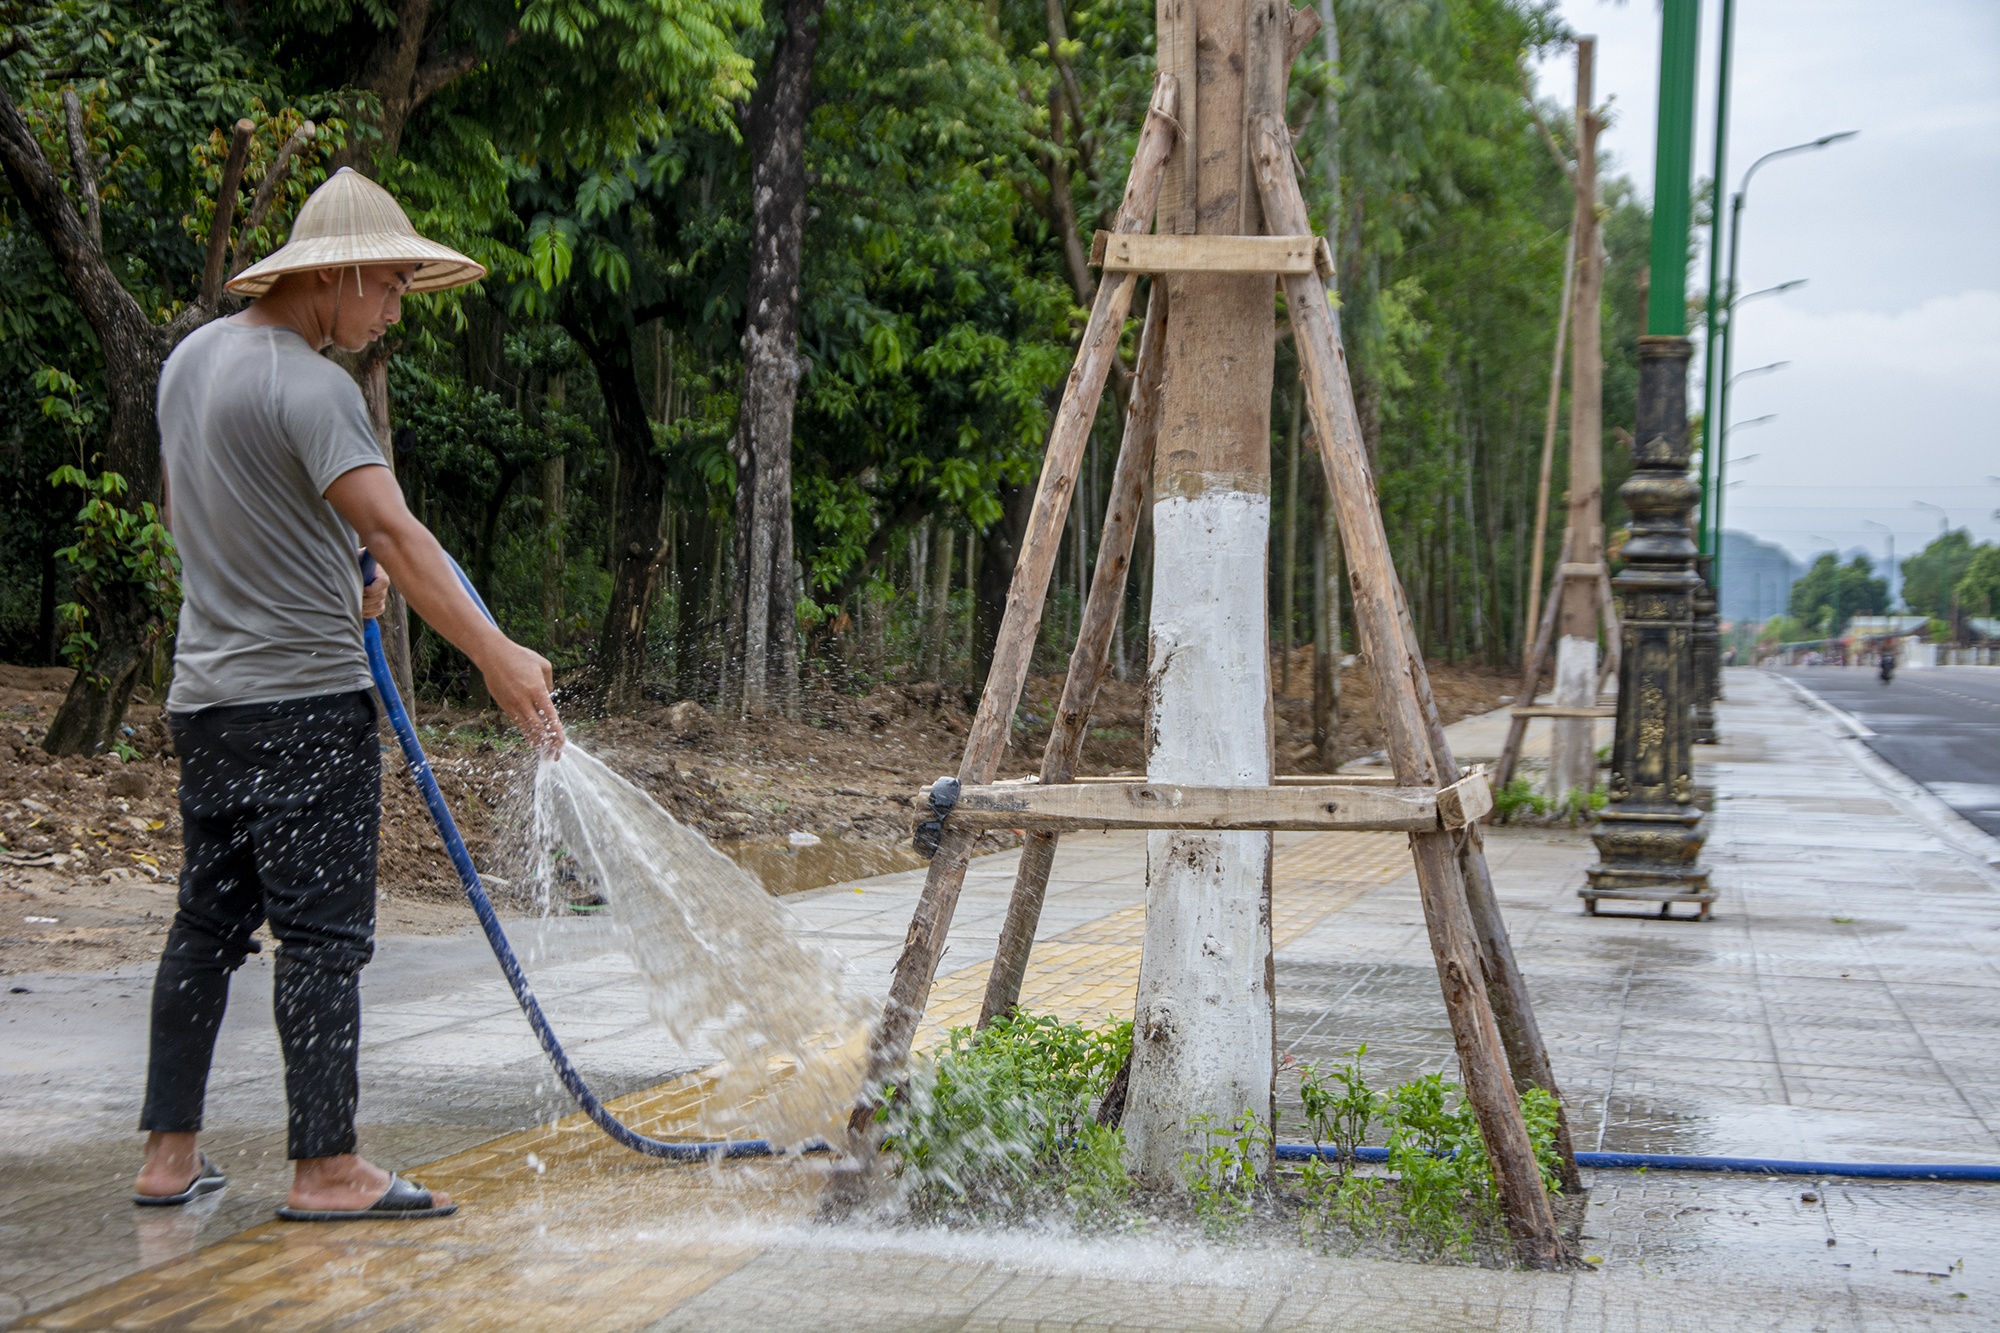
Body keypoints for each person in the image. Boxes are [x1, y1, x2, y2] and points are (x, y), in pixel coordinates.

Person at [132, 168, 564, 1221]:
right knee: (323, 937)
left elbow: (209, 513)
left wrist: (333, 571)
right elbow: (396, 535)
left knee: (207, 926)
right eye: (393, 286)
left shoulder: (192, 360)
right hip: (305, 704)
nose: (396, 310)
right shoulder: (316, 387)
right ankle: (326, 1168)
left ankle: (167, 1157)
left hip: (209, 700)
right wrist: (498, 655)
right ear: (346, 273)